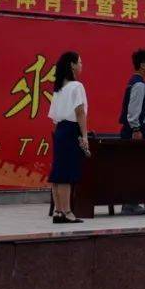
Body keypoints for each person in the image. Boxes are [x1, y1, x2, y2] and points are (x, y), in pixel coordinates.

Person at [47, 51, 89, 224]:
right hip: (71, 129)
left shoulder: (59, 88)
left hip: (60, 131)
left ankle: (57, 211)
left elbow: (54, 118)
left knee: (57, 172)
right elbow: (80, 113)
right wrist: (84, 136)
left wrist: (57, 136)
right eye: (79, 62)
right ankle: (67, 212)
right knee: (66, 173)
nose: (81, 65)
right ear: (71, 65)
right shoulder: (76, 86)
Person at [119, 48, 145, 215]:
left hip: (132, 130)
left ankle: (131, 202)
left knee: (132, 167)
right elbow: (134, 110)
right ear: (142, 65)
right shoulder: (139, 84)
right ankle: (130, 204)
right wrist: (136, 129)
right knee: (133, 168)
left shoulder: (134, 82)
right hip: (135, 132)